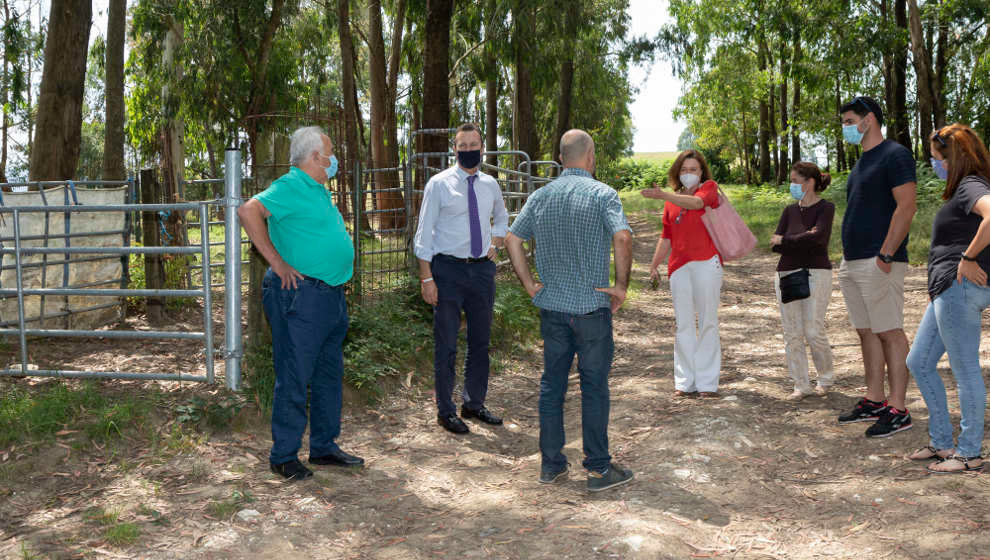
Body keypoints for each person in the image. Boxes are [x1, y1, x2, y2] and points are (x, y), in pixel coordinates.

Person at [504, 129, 634, 492]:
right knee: (594, 387)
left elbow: (513, 238)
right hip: (592, 307)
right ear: (590, 155)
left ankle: (551, 465)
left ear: (561, 158)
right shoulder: (603, 194)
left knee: (552, 386)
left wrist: (530, 284)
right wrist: (621, 285)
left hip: (554, 308)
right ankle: (597, 470)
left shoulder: (541, 196)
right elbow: (622, 236)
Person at [238, 126, 363, 481]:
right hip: (300, 297)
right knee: (294, 374)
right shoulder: (291, 186)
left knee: (327, 373)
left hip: (329, 297)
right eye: (330, 154)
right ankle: (283, 455)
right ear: (314, 157)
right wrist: (277, 263)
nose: (334, 160)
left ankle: (323, 446)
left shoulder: (318, 190)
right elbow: (248, 211)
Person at [904, 124, 990, 473]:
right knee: (919, 362)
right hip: (946, 290)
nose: (933, 163)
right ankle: (942, 443)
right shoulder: (962, 189)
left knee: (965, 368)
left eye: (936, 157)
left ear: (951, 158)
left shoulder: (971, 185)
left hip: (960, 288)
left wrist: (968, 259)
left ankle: (969, 453)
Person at [413, 123, 509, 435]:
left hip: (481, 271)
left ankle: (474, 404)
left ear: (483, 149)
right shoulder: (438, 184)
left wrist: (495, 241)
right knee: (447, 343)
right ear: (454, 149)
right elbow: (424, 232)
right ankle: (446, 410)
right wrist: (427, 278)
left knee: (480, 342)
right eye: (462, 145)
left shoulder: (490, 184)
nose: (468, 149)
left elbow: (503, 215)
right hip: (448, 272)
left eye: (473, 144)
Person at [835, 96, 918, 438]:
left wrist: (886, 253)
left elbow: (907, 206)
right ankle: (874, 399)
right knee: (866, 331)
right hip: (853, 261)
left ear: (868, 120)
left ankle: (898, 409)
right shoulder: (861, 163)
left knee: (889, 331)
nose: (845, 128)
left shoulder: (894, 155)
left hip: (879, 261)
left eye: (849, 121)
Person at [643, 150, 723, 398]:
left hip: (706, 263)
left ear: (702, 173)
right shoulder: (671, 201)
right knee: (683, 324)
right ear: (678, 173)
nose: (689, 174)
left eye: (693, 170)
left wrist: (664, 194)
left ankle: (707, 383)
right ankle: (685, 381)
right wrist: (654, 264)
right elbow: (666, 236)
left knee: (708, 321)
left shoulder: (709, 188)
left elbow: (697, 204)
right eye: (684, 170)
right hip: (679, 267)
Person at [770, 162, 836, 400]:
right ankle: (801, 384)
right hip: (786, 273)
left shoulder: (825, 208)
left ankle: (825, 378)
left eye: (796, 181)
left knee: (813, 329)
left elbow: (818, 237)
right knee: (792, 332)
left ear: (809, 183)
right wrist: (794, 241)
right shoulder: (789, 211)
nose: (792, 185)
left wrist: (786, 241)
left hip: (816, 272)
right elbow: (774, 245)